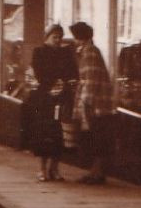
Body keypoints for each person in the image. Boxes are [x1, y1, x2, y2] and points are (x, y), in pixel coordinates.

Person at [26, 24, 76, 182]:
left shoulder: (66, 52)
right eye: (55, 37)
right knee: (44, 133)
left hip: (61, 98)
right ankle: (42, 169)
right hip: (45, 99)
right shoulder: (39, 52)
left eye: (60, 37)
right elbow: (39, 73)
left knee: (59, 134)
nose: (58, 40)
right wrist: (54, 83)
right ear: (47, 37)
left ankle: (54, 168)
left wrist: (64, 84)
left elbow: (73, 72)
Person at [71, 21, 116, 185]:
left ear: (80, 38)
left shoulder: (89, 52)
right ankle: (95, 172)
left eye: (75, 37)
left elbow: (90, 79)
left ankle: (96, 173)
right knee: (97, 139)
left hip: (96, 105)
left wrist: (85, 103)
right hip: (99, 104)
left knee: (96, 138)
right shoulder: (90, 51)